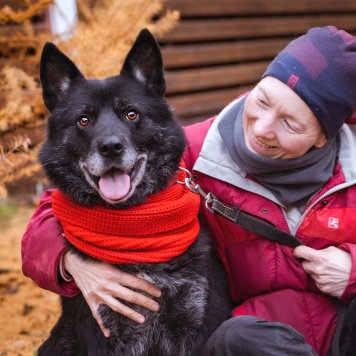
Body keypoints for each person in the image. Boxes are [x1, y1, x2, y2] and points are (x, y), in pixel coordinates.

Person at [22, 26, 356, 355]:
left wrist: (353, 270)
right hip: (250, 339)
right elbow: (51, 216)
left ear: (324, 135)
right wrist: (74, 264)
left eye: (289, 123)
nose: (264, 128)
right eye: (263, 100)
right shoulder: (194, 153)